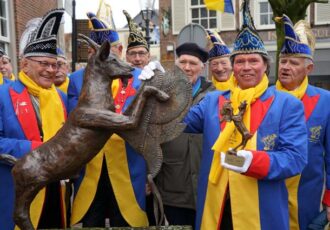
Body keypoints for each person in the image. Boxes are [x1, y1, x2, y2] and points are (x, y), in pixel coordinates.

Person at [182, 1, 307, 229]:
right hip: (217, 207)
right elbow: (178, 122)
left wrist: (254, 161)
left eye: (253, 61)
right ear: (233, 67)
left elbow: (295, 159)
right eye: (240, 61)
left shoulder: (287, 104)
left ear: (266, 66)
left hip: (262, 209)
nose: (246, 67)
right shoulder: (213, 101)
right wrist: (169, 85)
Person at [69, 11, 163, 228]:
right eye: (93, 51)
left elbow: (150, 129)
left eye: (105, 52)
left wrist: (151, 173)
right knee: (91, 220)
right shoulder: (75, 80)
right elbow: (77, 120)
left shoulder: (141, 80)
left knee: (126, 221)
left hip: (129, 168)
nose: (98, 57)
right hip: (91, 166)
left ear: (119, 50)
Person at [0, 9, 68, 229]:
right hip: (17, 192)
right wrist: (38, 148)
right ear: (25, 63)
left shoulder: (62, 97)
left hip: (55, 192)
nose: (50, 70)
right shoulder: (3, 95)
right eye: (43, 63)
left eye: (54, 64)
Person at [273, 14, 330, 230]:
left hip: (308, 196)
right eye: (283, 61)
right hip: (269, 192)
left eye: (293, 63)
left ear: (309, 69)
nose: (286, 67)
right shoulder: (263, 98)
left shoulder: (326, 102)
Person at [155, 42, 214, 228]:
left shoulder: (215, 95)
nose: (187, 68)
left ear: (202, 68)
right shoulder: (161, 94)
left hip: (207, 183)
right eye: (183, 62)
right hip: (173, 183)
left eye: (193, 63)